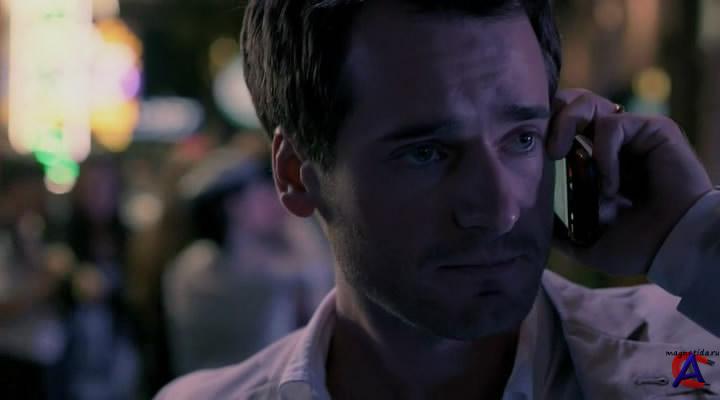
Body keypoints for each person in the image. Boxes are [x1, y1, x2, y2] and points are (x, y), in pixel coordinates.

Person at [157, 0, 720, 399]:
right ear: (295, 175)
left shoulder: (688, 363)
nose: (500, 210)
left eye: (523, 138)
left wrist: (695, 239)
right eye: (426, 153)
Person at [163, 149, 333, 376]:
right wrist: (300, 233)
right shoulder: (200, 271)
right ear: (233, 205)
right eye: (264, 192)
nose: (277, 199)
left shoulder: (275, 261)